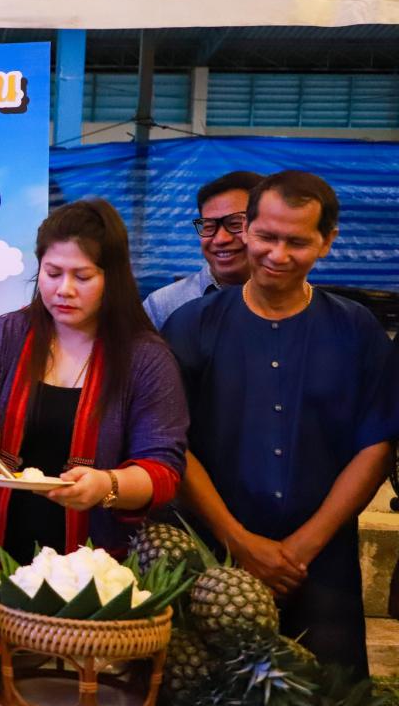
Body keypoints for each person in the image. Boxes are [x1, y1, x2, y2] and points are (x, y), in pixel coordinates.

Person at [162, 170, 399, 678]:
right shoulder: (192, 325)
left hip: (321, 563)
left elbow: (377, 444)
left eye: (297, 242)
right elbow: (171, 442)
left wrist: (302, 547)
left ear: (326, 242)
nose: (277, 254)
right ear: (247, 229)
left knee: (325, 699)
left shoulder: (357, 330)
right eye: (266, 236)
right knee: (204, 700)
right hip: (213, 559)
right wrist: (238, 540)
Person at [0, 199, 188, 565]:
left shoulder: (145, 358)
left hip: (94, 569)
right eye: (53, 273)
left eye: (82, 277)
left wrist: (108, 485)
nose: (64, 289)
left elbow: (163, 471)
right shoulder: (9, 334)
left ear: (113, 278)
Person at [142, 171, 263, 330]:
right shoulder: (163, 307)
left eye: (235, 224)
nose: (220, 239)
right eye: (208, 226)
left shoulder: (292, 300)